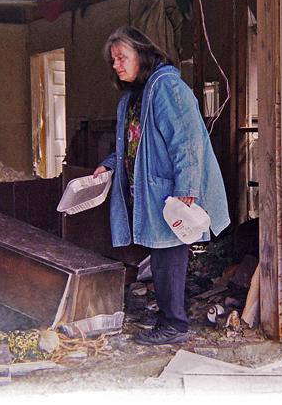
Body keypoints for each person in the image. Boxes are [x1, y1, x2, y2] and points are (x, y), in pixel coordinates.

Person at [93, 26, 230, 345]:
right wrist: (110, 164)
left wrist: (187, 188)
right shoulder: (133, 98)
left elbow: (187, 141)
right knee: (160, 255)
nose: (115, 65)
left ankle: (174, 324)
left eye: (121, 57)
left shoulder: (167, 87)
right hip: (153, 193)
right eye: (113, 60)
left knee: (168, 256)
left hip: (171, 192)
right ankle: (168, 318)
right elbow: (132, 144)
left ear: (141, 54)